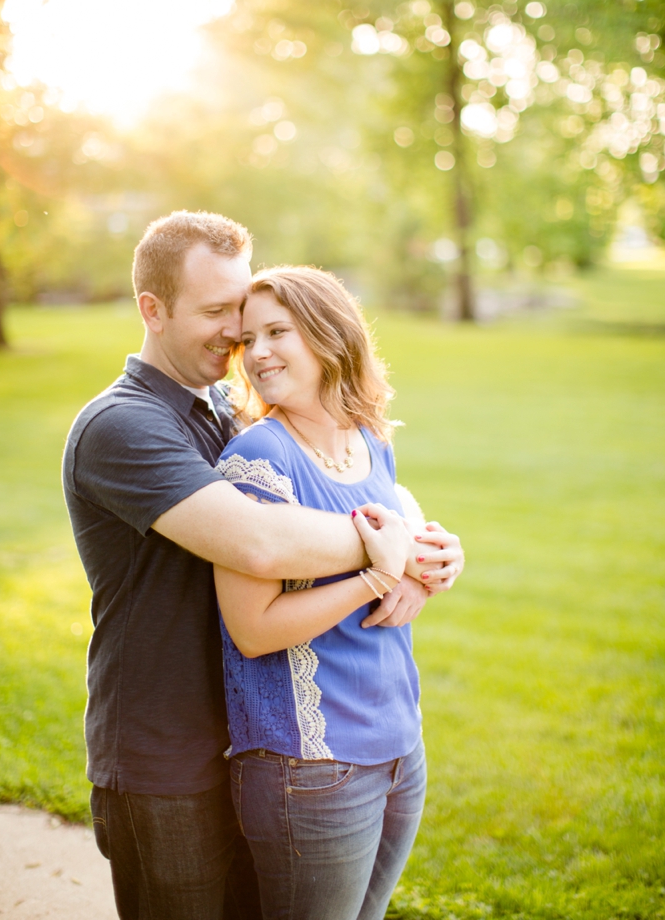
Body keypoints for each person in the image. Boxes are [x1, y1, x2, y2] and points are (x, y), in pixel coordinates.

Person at [62, 211, 463, 919]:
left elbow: (337, 477)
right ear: (151, 311)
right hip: (168, 758)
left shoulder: (225, 406)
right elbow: (259, 543)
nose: (237, 334)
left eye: (242, 313)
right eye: (218, 312)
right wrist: (388, 545)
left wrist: (420, 546)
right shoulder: (122, 425)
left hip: (255, 740)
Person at [212, 265, 443, 919]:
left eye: (277, 331)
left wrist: (430, 563)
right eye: (246, 340)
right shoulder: (257, 460)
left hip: (401, 743)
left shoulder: (367, 438)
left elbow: (397, 531)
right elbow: (252, 629)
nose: (257, 354)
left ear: (329, 335)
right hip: (310, 767)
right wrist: (375, 574)